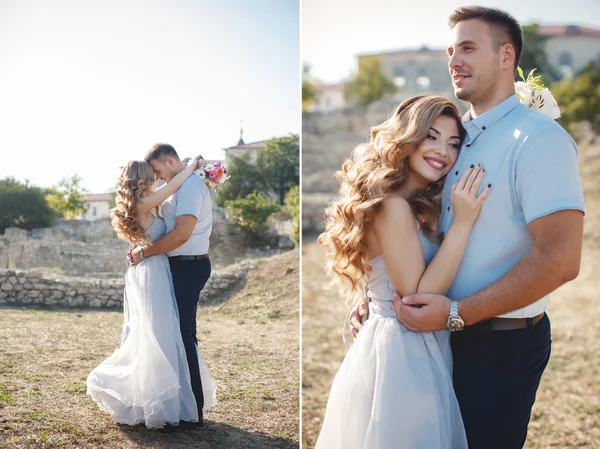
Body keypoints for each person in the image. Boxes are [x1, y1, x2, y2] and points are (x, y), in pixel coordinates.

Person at [350, 6, 585, 449]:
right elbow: (406, 226)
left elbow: (560, 260)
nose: (454, 60)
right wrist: (377, 297)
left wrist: (457, 314)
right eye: (451, 50)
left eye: (469, 48)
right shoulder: (455, 138)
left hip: (497, 345)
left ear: (506, 55)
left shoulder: (539, 139)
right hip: (434, 340)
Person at [315, 95, 491, 449]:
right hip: (401, 350)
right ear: (407, 138)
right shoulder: (393, 206)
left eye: (454, 143)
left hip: (412, 343)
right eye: (432, 136)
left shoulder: (412, 204)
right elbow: (416, 299)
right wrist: (464, 224)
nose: (443, 150)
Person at [86, 157, 217, 430]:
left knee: (159, 334)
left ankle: (168, 399)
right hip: (152, 270)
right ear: (142, 179)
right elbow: (175, 184)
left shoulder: (143, 203)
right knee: (158, 336)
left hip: (151, 268)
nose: (157, 177)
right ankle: (162, 401)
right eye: (152, 174)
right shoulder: (144, 203)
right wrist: (193, 166)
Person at [128, 143, 215, 430]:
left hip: (187, 265)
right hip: (174, 266)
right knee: (175, 335)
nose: (156, 178)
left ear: (168, 161)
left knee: (182, 336)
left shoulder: (189, 187)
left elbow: (180, 235)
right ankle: (181, 404)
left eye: (157, 171)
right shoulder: (177, 187)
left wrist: (144, 252)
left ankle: (193, 409)